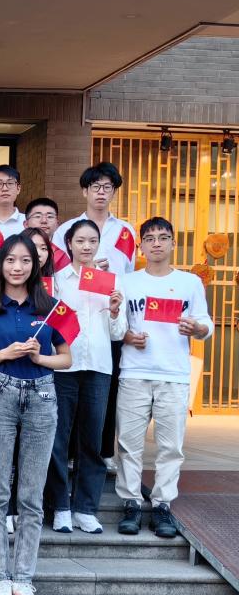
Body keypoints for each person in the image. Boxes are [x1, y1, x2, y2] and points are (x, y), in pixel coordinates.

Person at [0, 233, 71, 595]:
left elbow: (66, 359)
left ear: (35, 265)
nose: (17, 267)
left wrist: (40, 359)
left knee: (30, 495)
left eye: (25, 260)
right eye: (10, 260)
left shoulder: (52, 308)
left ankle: (24, 578)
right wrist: (5, 353)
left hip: (42, 396)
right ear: (1, 265)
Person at [116, 216, 212, 538]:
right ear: (141, 246)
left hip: (174, 374)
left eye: (163, 237)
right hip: (134, 371)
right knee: (128, 444)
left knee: (171, 446)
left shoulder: (190, 283)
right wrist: (128, 336)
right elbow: (114, 326)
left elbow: (206, 324)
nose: (156, 243)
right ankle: (131, 503)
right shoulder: (127, 282)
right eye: (150, 238)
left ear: (173, 243)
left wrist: (196, 328)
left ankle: (162, 505)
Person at [53, 163, 138, 472]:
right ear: (84, 191)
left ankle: (103, 451)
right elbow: (58, 272)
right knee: (67, 395)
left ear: (114, 192)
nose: (101, 192)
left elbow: (128, 275)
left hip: (108, 316)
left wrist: (116, 302)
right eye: (95, 187)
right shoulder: (66, 229)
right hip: (74, 319)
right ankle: (69, 455)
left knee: (105, 390)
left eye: (107, 187)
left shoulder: (125, 231)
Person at [45, 219, 126, 534]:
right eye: (80, 240)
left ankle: (85, 508)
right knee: (58, 439)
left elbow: (118, 333)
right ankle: (60, 506)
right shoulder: (57, 281)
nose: (87, 246)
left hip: (98, 367)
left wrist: (115, 311)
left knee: (92, 440)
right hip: (63, 366)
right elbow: (48, 325)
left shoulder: (110, 281)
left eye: (92, 240)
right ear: (69, 244)